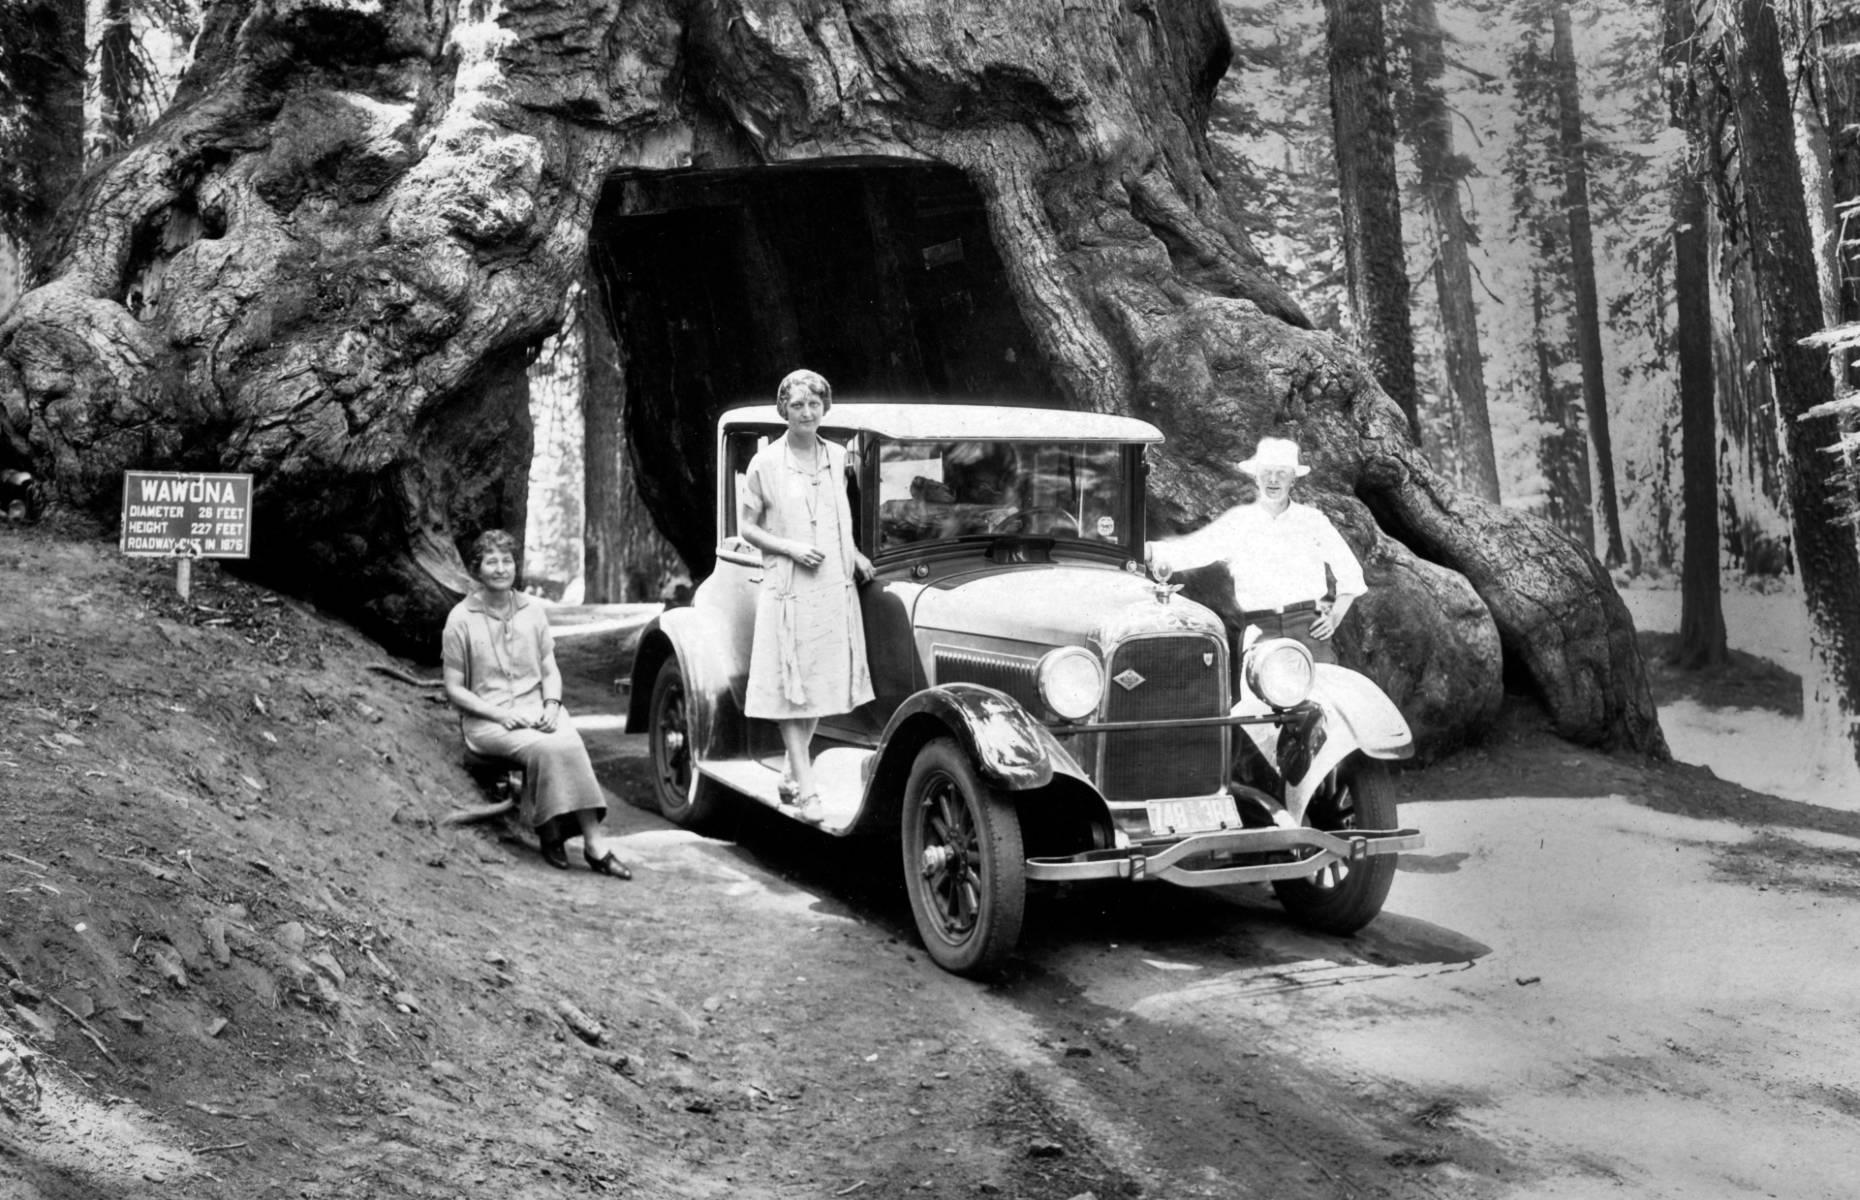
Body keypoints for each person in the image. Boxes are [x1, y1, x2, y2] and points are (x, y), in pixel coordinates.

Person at [442, 530, 630, 878]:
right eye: (491, 562)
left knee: (568, 739)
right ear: (477, 569)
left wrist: (552, 704)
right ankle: (550, 831)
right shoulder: (460, 619)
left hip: (536, 708)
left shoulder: (532, 611)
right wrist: (499, 713)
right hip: (488, 721)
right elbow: (454, 688)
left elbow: (549, 670)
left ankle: (593, 842)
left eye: (507, 560)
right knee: (546, 748)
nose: (501, 569)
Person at [738, 369, 875, 819]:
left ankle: (791, 773)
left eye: (814, 404)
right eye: (797, 405)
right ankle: (808, 789)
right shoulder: (765, 463)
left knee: (820, 685)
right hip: (790, 586)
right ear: (784, 410)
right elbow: (747, 527)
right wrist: (791, 548)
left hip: (832, 583)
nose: (807, 413)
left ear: (824, 408)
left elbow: (841, 516)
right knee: (790, 687)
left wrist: (853, 553)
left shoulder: (837, 456)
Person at [1150, 436, 1365, 665]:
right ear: (1256, 477)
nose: (1273, 480)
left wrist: (1334, 617)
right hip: (1260, 632)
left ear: (1293, 479)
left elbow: (1351, 573)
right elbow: (1193, 550)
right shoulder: (1239, 521)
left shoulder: (1312, 521)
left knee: (1317, 696)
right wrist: (1147, 552)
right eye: (1266, 472)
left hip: (1307, 631)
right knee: (1258, 699)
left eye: (1282, 472)